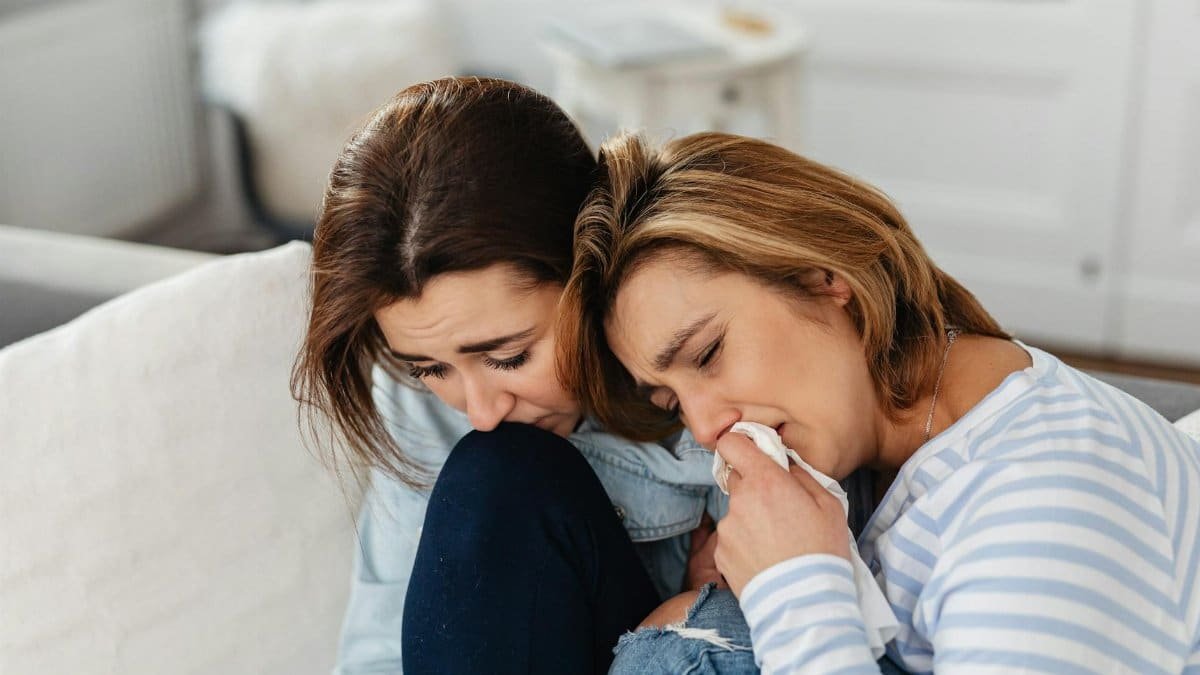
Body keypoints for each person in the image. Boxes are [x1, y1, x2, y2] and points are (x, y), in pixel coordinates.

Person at [558, 130, 1200, 673]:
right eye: (672, 401)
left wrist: (797, 592)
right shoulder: (876, 446)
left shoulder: (1044, 510)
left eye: (707, 355)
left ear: (823, 274)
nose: (703, 428)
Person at [291, 77, 730, 674]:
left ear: (590, 270)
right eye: (432, 369)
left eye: (508, 357)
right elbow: (380, 654)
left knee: (500, 472)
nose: (479, 411)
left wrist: (695, 616)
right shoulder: (413, 396)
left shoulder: (709, 356)